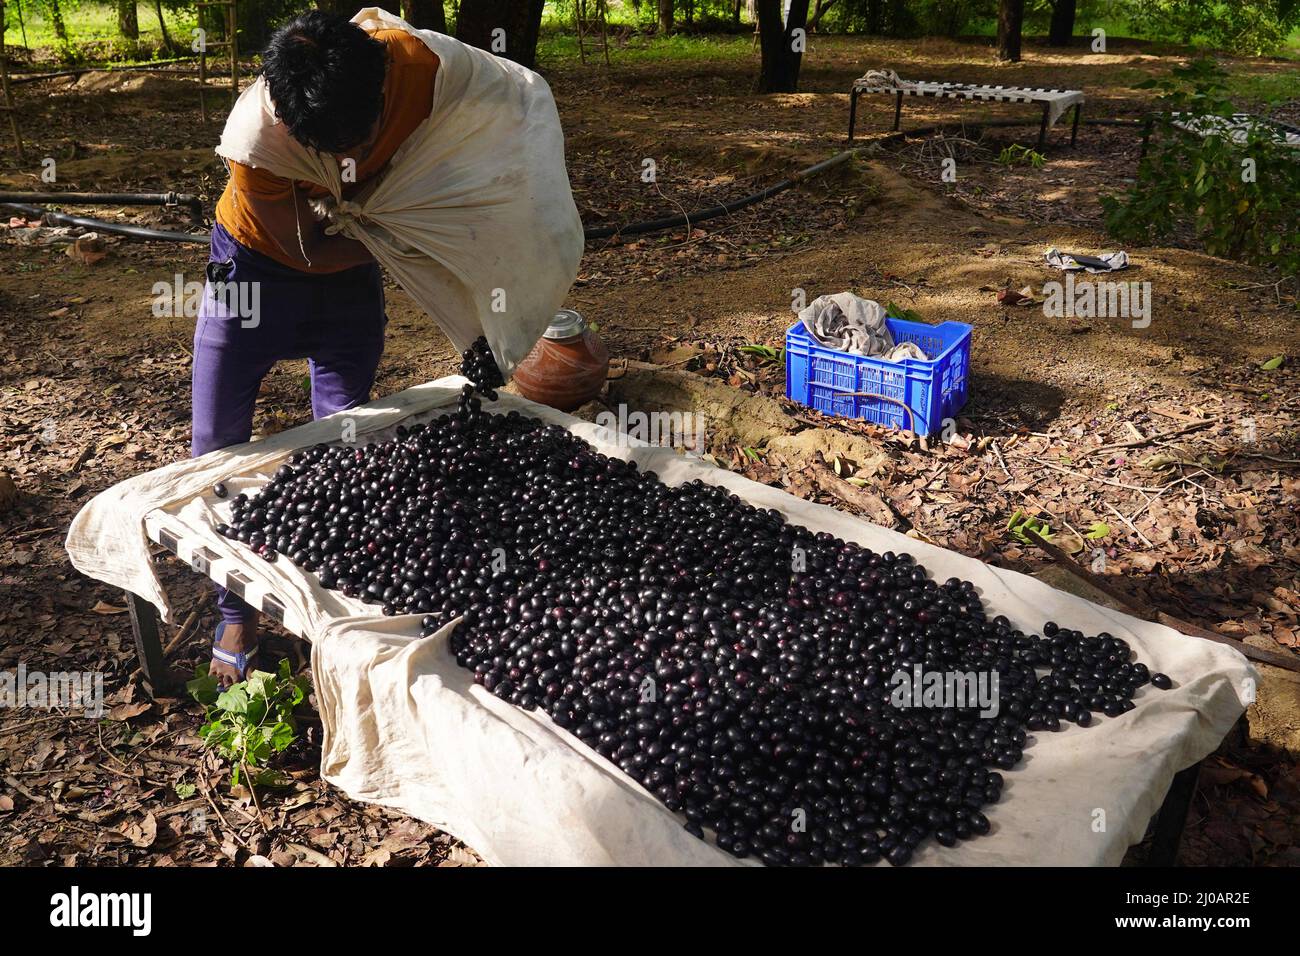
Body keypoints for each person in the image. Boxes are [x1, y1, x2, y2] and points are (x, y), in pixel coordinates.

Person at [198, 11, 439, 685]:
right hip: (255, 266)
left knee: (345, 435)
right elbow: (305, 249)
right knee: (217, 447)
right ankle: (235, 607)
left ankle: (337, 592)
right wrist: (402, 245)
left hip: (355, 258)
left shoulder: (416, 67)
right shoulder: (254, 139)